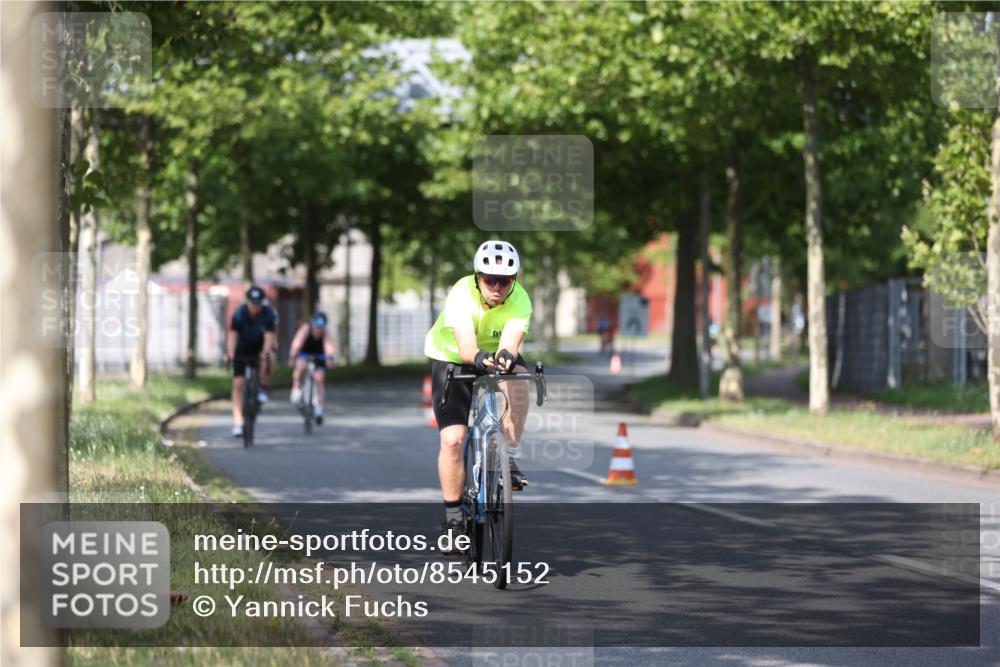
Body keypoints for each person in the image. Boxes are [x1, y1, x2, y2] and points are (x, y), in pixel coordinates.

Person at [424, 240, 533, 545]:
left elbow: (511, 341)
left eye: (505, 281)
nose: (497, 287)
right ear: (477, 277)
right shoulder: (461, 293)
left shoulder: (521, 298)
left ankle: (509, 457)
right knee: (453, 439)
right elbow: (466, 347)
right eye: (490, 279)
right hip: (454, 358)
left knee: (521, 381)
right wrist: (478, 358)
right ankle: (454, 520)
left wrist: (509, 356)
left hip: (495, 353)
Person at [225, 285, 278, 437]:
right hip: (242, 349)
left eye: (258, 304)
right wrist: (230, 352)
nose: (255, 307)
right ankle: (238, 422)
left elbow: (269, 337)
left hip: (259, 348)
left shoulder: (268, 314)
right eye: (253, 303)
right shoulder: (239, 314)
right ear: (247, 302)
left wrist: (265, 352)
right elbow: (233, 335)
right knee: (238, 384)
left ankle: (261, 388)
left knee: (267, 359)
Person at [288, 312, 336, 424]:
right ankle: (296, 389)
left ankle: (319, 408)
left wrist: (330, 358)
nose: (318, 329)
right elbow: (297, 343)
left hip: (319, 355)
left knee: (319, 378)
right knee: (300, 366)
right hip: (304, 353)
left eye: (320, 327)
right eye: (316, 326)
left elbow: (329, 347)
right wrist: (292, 356)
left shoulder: (325, 332)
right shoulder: (306, 329)